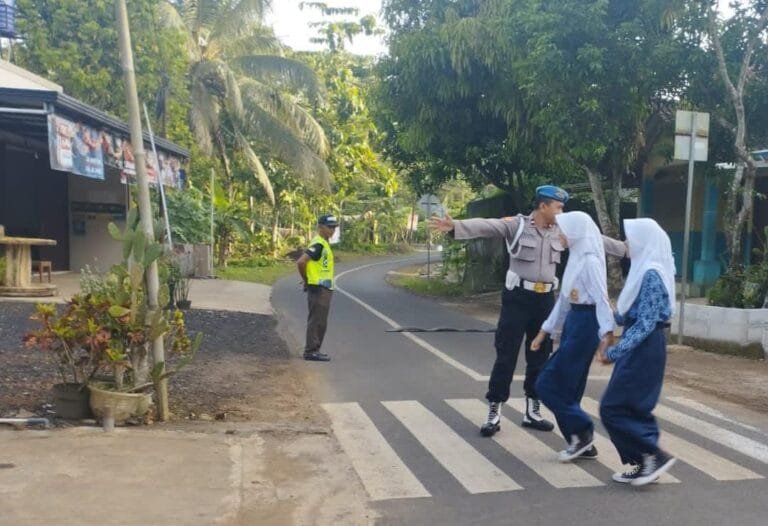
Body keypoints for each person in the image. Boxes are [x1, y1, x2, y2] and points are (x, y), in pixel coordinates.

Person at [598, 218, 677, 486]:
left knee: (612, 407)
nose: (627, 244)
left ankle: (653, 455)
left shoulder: (651, 274)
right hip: (641, 344)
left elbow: (645, 323)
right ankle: (645, 463)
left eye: (631, 239)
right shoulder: (643, 271)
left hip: (645, 347)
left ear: (644, 242)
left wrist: (614, 353)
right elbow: (628, 315)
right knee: (635, 406)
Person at [530, 211, 614, 461]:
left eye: (563, 230)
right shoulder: (576, 257)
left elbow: (601, 299)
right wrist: (543, 332)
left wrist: (606, 334)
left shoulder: (589, 261)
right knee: (570, 387)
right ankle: (581, 442)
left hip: (586, 324)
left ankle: (583, 430)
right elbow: (564, 302)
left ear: (576, 232)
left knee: (546, 383)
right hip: (574, 323)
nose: (559, 235)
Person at [296, 214, 339, 362]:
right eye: (329, 227)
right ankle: (311, 351)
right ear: (320, 227)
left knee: (321, 321)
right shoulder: (319, 244)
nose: (332, 230)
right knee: (317, 320)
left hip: (324, 287)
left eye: (334, 227)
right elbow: (301, 262)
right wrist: (306, 280)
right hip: (318, 288)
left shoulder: (324, 243)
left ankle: (315, 349)